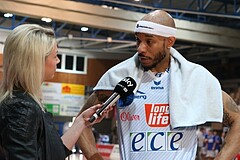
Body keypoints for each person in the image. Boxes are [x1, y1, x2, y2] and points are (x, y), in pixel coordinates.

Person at [77, 10, 240, 160]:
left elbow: (237, 120)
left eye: (149, 41)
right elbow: (82, 122)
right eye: (138, 40)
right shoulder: (119, 78)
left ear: (169, 41)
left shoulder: (195, 78)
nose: (141, 48)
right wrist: (95, 158)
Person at [0, 24, 110, 160]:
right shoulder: (21, 108)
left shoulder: (25, 102)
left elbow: (53, 154)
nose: (58, 61)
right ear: (37, 61)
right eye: (55, 56)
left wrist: (81, 121)